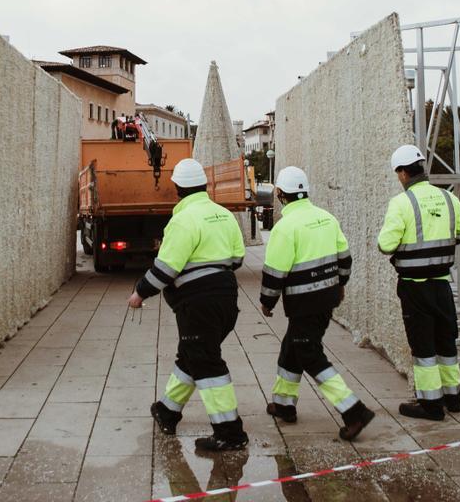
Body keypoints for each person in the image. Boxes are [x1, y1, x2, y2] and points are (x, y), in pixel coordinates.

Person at [128, 157, 248, 451]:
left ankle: (230, 433)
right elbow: (237, 259)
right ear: (204, 186)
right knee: (192, 354)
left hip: (198, 305)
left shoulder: (182, 220)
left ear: (177, 189)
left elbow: (165, 269)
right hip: (227, 299)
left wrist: (139, 293)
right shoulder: (224, 215)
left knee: (205, 360)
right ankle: (167, 410)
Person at [260, 166, 375, 441]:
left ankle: (353, 411)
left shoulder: (285, 227)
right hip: (327, 298)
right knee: (292, 348)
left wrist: (267, 302)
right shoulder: (326, 218)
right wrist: (341, 284)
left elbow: (275, 272)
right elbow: (345, 259)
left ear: (280, 193)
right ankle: (284, 404)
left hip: (303, 303)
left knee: (308, 352)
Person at [377, 145, 460, 420]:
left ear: (403, 173)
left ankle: (430, 404)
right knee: (446, 341)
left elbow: (385, 244)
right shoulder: (448, 198)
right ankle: (453, 397)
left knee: (423, 346)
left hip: (415, 287)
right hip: (441, 284)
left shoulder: (401, 203)